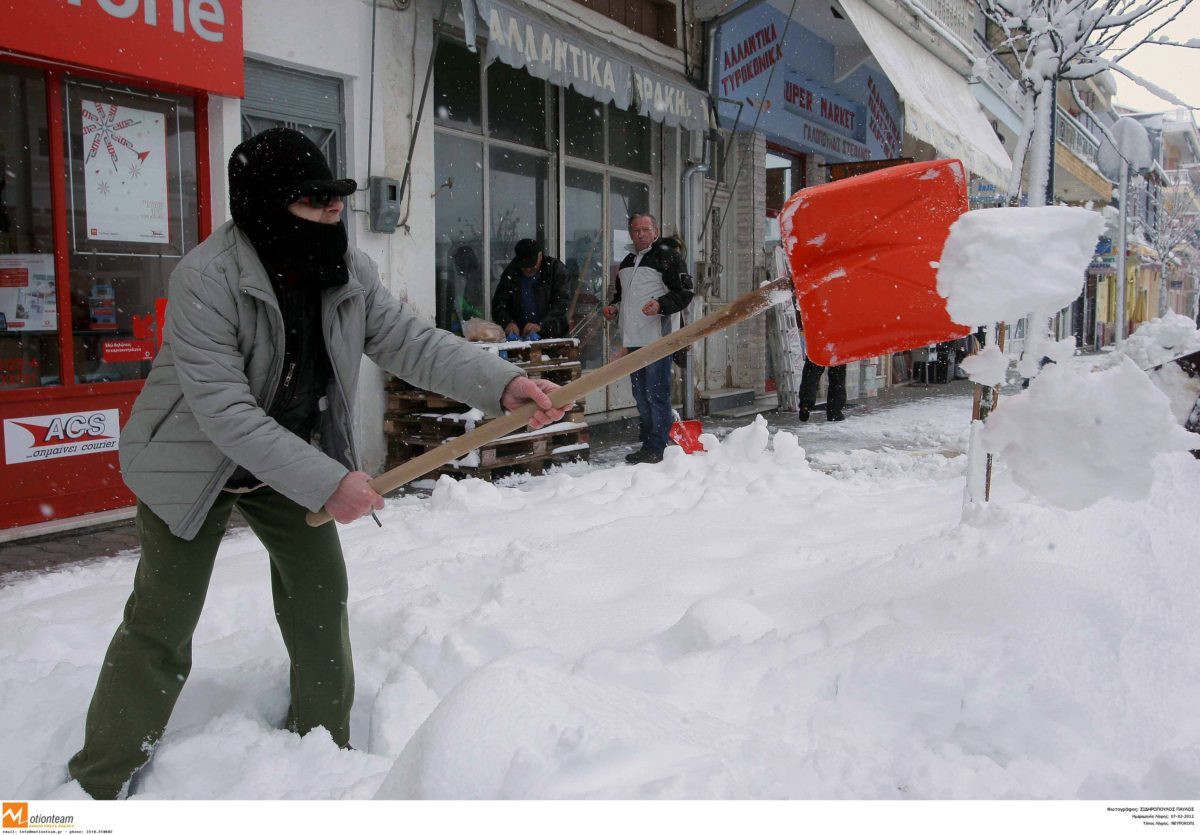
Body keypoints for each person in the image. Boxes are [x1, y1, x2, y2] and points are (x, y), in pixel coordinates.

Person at [66, 127, 564, 800]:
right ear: (269, 208)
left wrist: (498, 384)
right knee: (163, 618)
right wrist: (329, 482)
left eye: (337, 200)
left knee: (320, 596)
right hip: (191, 463)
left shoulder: (348, 272)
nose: (335, 214)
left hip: (283, 456)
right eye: (316, 202)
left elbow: (412, 342)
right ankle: (97, 782)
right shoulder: (206, 280)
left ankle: (320, 745)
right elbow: (224, 412)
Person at [602, 214, 693, 464]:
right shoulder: (627, 262)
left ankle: (657, 446)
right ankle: (651, 440)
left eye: (645, 229)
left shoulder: (669, 258)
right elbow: (623, 298)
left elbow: (685, 293)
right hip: (632, 341)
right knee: (641, 395)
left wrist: (661, 305)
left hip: (657, 340)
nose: (641, 234)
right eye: (635, 230)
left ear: (655, 232)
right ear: (630, 233)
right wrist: (614, 308)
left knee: (656, 394)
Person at [491, 238, 571, 339]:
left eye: (532, 265)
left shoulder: (556, 270)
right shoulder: (511, 272)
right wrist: (507, 322)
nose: (528, 270)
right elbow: (499, 305)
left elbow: (561, 305)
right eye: (524, 266)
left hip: (553, 336)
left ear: (540, 256)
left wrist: (541, 325)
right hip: (521, 337)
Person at [797, 358, 847, 422]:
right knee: (837, 378)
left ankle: (806, 403)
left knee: (812, 371)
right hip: (838, 349)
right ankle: (835, 412)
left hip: (817, 349)